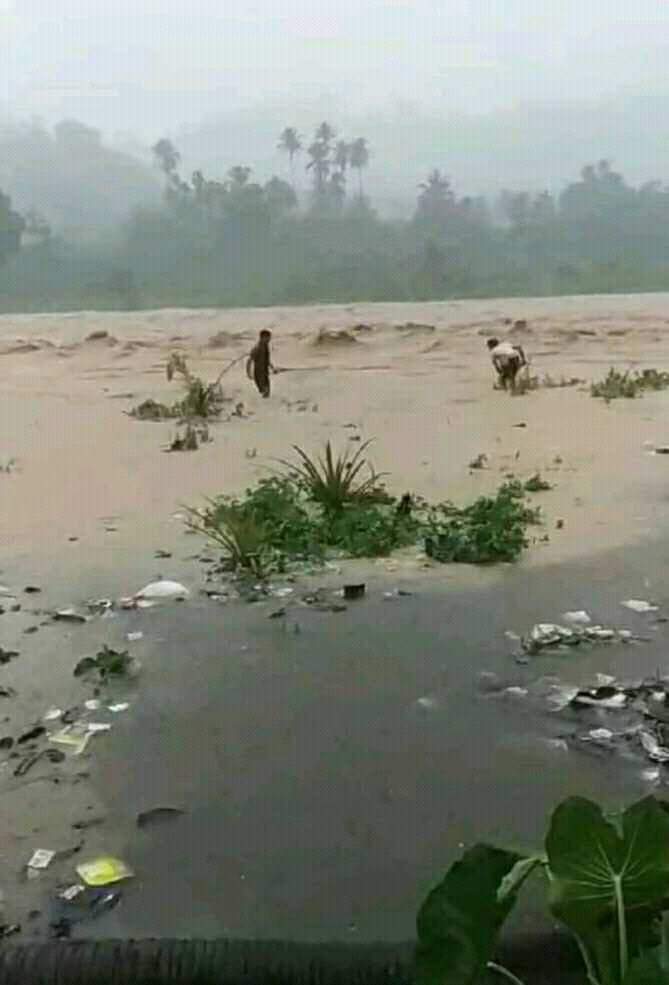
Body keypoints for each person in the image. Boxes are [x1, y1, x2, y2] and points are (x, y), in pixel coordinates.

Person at [246, 329, 274, 398]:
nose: (269, 340)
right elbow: (249, 361)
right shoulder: (257, 348)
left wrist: (272, 367)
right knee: (264, 392)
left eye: (269, 338)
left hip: (265, 374)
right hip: (259, 375)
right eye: (268, 338)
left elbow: (266, 360)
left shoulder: (265, 346)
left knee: (267, 393)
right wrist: (248, 373)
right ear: (263, 337)